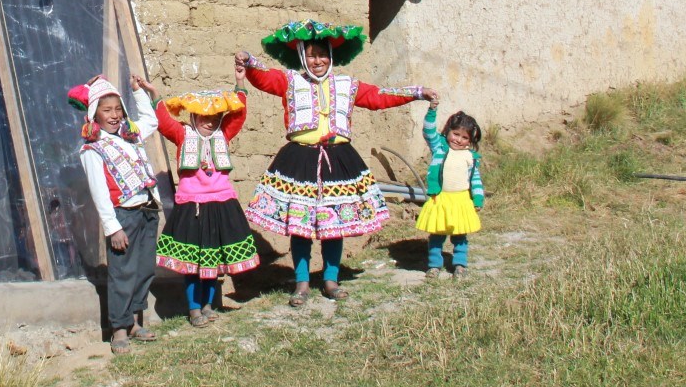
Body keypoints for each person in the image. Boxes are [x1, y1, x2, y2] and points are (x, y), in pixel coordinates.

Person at [237, 20, 437, 306]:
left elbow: (379, 97)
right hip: (300, 160)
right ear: (302, 56)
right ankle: (302, 282)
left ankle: (330, 279)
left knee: (335, 223)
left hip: (338, 161)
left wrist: (417, 92)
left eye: (322, 55)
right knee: (301, 226)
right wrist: (248, 60)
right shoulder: (290, 81)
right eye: (311, 55)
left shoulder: (347, 86)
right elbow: (263, 78)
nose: (317, 61)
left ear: (331, 56)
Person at [153, 60, 261, 326]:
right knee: (192, 262)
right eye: (204, 118)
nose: (210, 123)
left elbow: (239, 115)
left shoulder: (224, 135)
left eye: (214, 119)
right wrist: (154, 95)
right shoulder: (182, 135)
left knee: (213, 259)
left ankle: (209, 305)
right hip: (192, 207)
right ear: (194, 117)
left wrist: (239, 84)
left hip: (220, 204)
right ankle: (193, 309)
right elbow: (164, 122)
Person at [71, 73, 162, 354]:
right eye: (107, 110)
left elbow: (152, 121)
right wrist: (113, 227)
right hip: (123, 216)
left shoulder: (130, 135)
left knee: (144, 268)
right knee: (122, 272)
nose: (114, 115)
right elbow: (99, 193)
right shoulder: (93, 149)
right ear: (94, 114)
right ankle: (119, 329)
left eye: (117, 109)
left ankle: (134, 321)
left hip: (147, 210)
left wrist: (138, 92)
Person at [417, 108, 484, 281]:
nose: (459, 140)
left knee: (460, 235)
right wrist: (432, 110)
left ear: (470, 140)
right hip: (441, 199)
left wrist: (478, 198)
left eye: (465, 137)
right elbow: (428, 130)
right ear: (448, 131)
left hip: (461, 200)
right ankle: (434, 265)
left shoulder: (470, 157)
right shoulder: (439, 148)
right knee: (437, 234)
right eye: (456, 134)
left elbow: (475, 180)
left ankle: (460, 265)